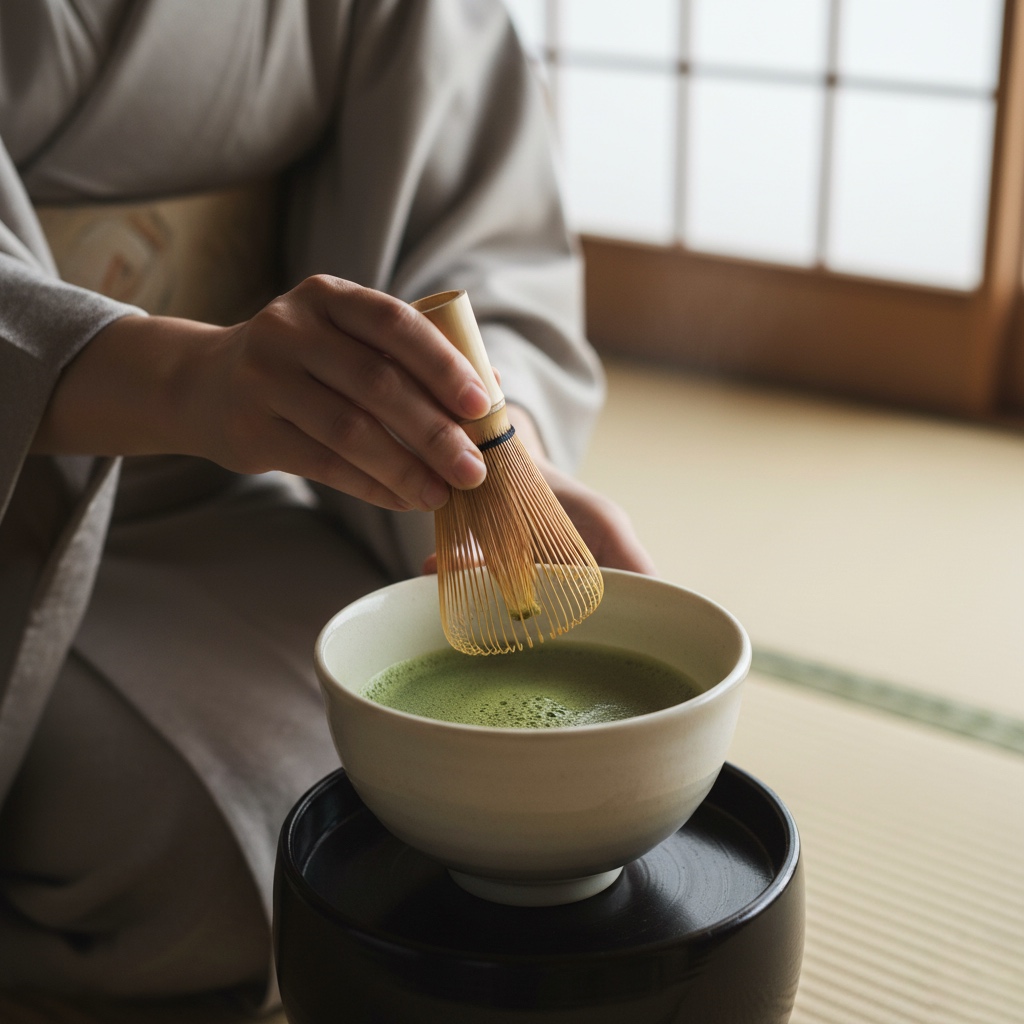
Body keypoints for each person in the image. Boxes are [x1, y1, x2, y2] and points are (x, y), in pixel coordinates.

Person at [0, 0, 654, 1005]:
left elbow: (468, 231)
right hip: (27, 504)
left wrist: (497, 461)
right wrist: (182, 379)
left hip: (245, 480)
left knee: (478, 780)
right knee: (220, 860)